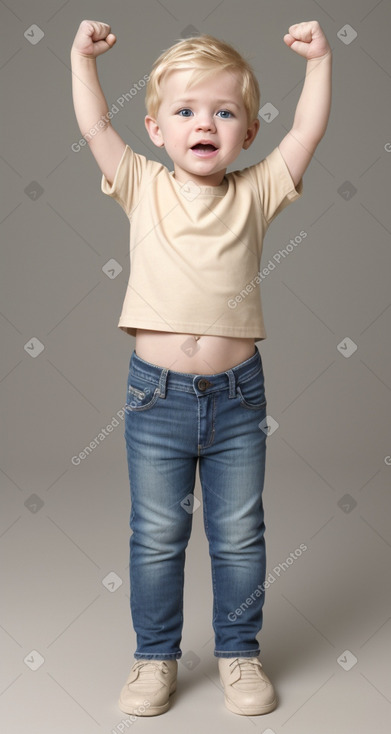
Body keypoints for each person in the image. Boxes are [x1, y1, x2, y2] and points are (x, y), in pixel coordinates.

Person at [70, 19, 332, 717]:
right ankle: (154, 658)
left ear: (247, 132)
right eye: (185, 111)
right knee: (156, 534)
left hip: (239, 398)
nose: (204, 123)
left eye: (223, 110)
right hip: (155, 400)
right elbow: (95, 126)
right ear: (156, 129)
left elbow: (305, 133)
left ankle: (238, 654)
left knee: (239, 531)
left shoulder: (255, 191)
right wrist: (80, 60)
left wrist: (319, 62)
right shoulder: (140, 184)